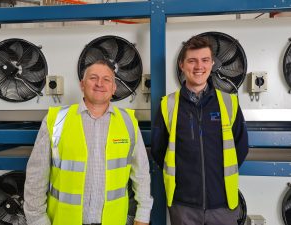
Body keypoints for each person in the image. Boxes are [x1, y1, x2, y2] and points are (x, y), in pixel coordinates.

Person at [24, 59, 153, 225]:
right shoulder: (56, 119)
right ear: (82, 84)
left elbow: (141, 173)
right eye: (93, 78)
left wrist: (142, 215)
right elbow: (36, 176)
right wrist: (37, 220)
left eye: (107, 79)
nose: (100, 83)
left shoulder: (128, 122)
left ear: (114, 88)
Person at [151, 36, 248, 225]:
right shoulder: (167, 105)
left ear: (212, 64)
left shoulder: (229, 103)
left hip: (223, 205)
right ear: (181, 65)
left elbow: (241, 148)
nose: (199, 66)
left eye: (204, 60)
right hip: (183, 205)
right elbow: (158, 150)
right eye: (192, 60)